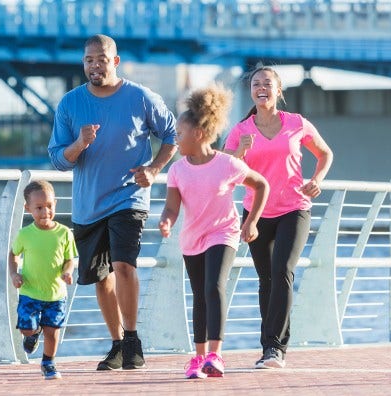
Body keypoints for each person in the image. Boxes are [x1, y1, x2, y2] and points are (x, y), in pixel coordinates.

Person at [48, 34, 178, 371]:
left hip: (129, 197)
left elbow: (172, 135)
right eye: (89, 60)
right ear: (83, 63)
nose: (95, 65)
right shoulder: (70, 104)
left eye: (102, 59)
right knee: (101, 277)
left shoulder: (140, 97)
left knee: (124, 265)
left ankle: (132, 337)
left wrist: (153, 168)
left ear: (115, 61)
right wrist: (79, 144)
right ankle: (118, 343)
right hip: (88, 205)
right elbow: (59, 160)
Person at [224, 65, 333, 369]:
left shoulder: (297, 123)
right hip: (256, 213)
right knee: (266, 280)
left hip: (294, 209)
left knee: (282, 270)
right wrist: (239, 154)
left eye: (267, 84)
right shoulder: (240, 130)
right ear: (251, 90)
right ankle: (268, 345)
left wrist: (317, 179)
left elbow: (325, 154)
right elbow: (225, 171)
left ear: (278, 90)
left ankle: (275, 348)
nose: (262, 88)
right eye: (256, 84)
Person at [159, 84, 269, 379]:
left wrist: (252, 222)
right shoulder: (177, 170)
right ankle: (197, 359)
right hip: (192, 238)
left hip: (224, 233)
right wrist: (167, 221)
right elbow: (172, 207)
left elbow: (261, 185)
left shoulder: (227, 164)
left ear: (198, 134)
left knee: (213, 287)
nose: (176, 140)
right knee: (199, 295)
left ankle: (215, 355)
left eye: (179, 134)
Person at [8, 180, 77, 380]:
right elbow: (13, 255)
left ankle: (48, 362)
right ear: (27, 208)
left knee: (53, 330)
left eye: (49, 206)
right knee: (25, 328)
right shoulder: (25, 234)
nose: (45, 212)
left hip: (56, 293)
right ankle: (33, 333)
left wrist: (68, 272)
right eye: (39, 208)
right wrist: (14, 274)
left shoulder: (64, 233)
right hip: (30, 291)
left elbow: (69, 259)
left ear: (55, 203)